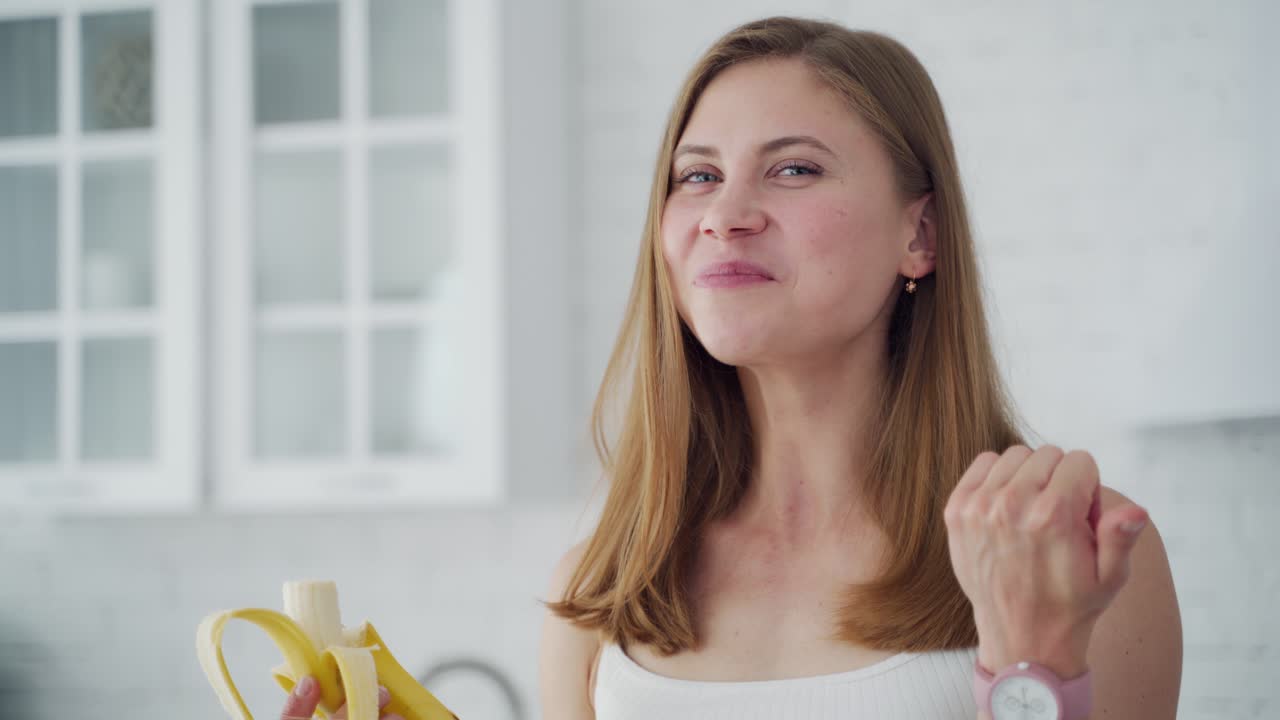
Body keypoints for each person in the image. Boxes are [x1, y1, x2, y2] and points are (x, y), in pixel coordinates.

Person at [538, 16, 1181, 720]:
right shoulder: (606, 588)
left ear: (921, 234)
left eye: (793, 169)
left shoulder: (1073, 545)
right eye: (698, 175)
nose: (723, 215)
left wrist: (1035, 661)